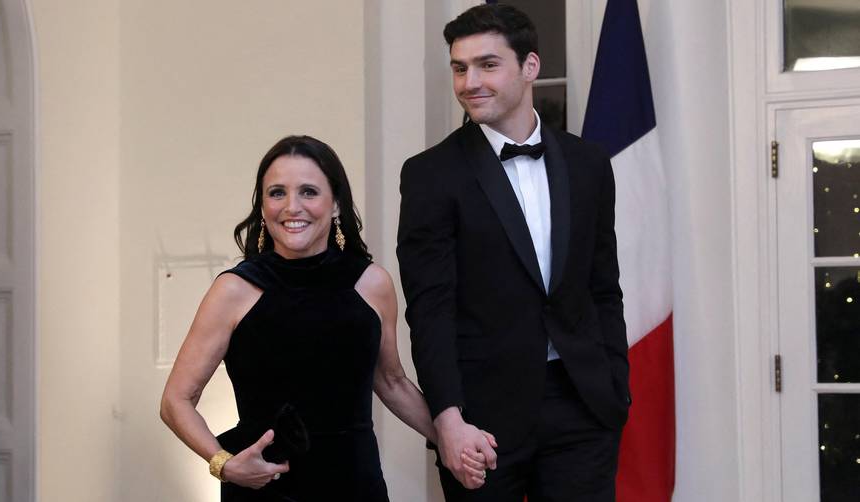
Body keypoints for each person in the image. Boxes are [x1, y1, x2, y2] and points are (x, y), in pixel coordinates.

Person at [160, 135, 493, 501]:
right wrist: (223, 463)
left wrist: (452, 435)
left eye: (308, 192)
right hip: (267, 488)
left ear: (335, 204)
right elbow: (176, 400)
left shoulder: (372, 284)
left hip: (355, 486)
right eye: (276, 193)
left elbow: (392, 382)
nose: (292, 207)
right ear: (262, 205)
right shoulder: (234, 290)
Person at [396, 4, 630, 502]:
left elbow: (603, 288)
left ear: (529, 67)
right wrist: (448, 418)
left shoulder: (588, 164)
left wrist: (615, 391)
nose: (469, 82)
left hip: (583, 406)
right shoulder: (430, 175)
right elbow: (430, 308)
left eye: (487, 65)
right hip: (483, 419)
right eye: (460, 68)